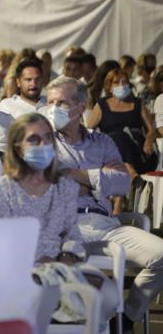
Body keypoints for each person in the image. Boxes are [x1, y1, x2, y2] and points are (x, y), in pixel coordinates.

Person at [46, 75, 163, 328]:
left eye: (62, 103)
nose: (54, 109)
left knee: (161, 255)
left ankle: (126, 318)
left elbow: (122, 182)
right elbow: (50, 185)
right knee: (84, 289)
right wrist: (99, 178)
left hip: (105, 225)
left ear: (80, 108)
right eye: (51, 102)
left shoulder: (102, 141)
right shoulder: (43, 141)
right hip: (65, 226)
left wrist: (77, 175)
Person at [0, 113, 118, 330]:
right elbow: (2, 242)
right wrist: (39, 260)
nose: (43, 145)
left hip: (59, 265)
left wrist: (67, 256)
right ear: (18, 147)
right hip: (19, 269)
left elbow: (72, 234)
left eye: (48, 138)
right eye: (34, 140)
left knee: (109, 294)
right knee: (51, 295)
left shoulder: (65, 186)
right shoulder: (4, 188)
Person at [87, 68, 157, 178]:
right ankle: (131, 174)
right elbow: (89, 131)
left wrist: (148, 141)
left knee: (119, 136)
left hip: (138, 152)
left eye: (124, 82)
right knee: (115, 137)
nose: (121, 85)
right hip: (110, 154)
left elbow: (152, 129)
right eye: (116, 82)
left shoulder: (138, 103)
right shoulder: (102, 105)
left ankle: (130, 172)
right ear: (109, 87)